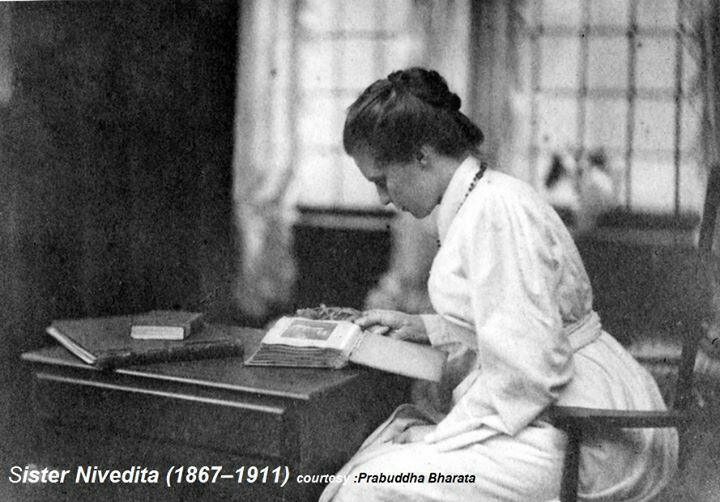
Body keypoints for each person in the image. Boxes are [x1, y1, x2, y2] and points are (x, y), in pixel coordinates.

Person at [319, 68, 678, 502]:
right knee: (384, 454)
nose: (383, 198)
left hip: (590, 434)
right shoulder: (484, 197)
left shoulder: (491, 212)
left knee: (371, 485)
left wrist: (443, 438)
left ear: (422, 154)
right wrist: (426, 328)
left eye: (382, 180)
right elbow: (515, 323)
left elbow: (528, 367)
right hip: (563, 407)